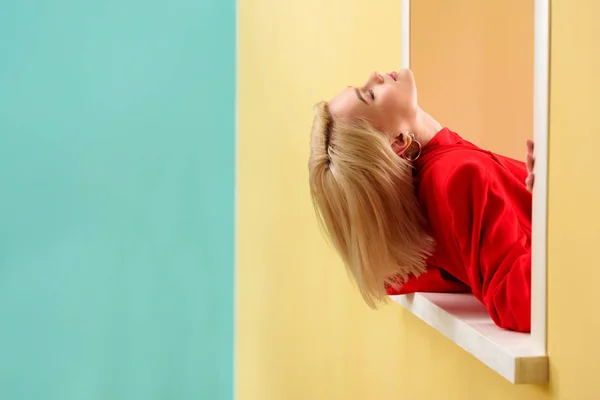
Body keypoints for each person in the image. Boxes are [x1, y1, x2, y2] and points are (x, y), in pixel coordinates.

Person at [308, 69, 535, 333]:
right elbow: (517, 302)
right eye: (370, 95)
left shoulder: (429, 190)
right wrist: (556, 204)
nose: (374, 76)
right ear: (398, 143)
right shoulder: (458, 175)